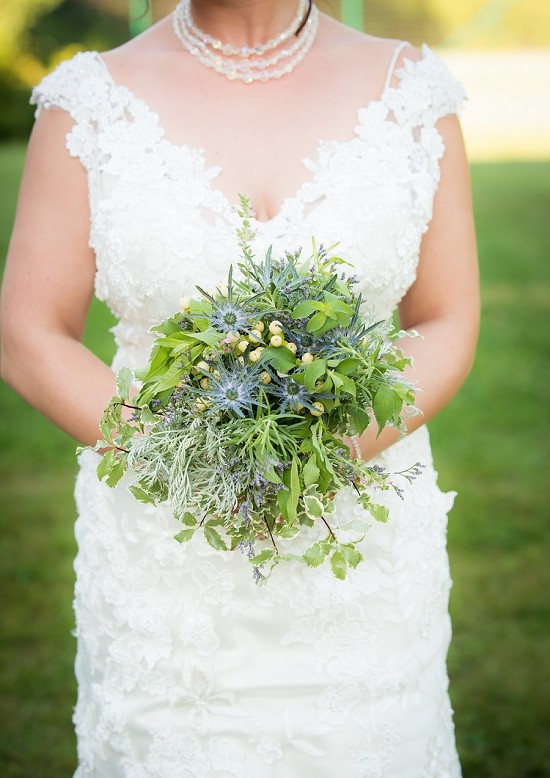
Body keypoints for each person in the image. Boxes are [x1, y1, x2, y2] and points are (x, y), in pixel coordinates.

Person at [0, 0, 479, 774]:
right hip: (170, 567)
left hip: (361, 555)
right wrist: (188, 461)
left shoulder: (411, 91)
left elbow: (449, 317)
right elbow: (29, 335)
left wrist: (333, 447)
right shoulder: (88, 103)